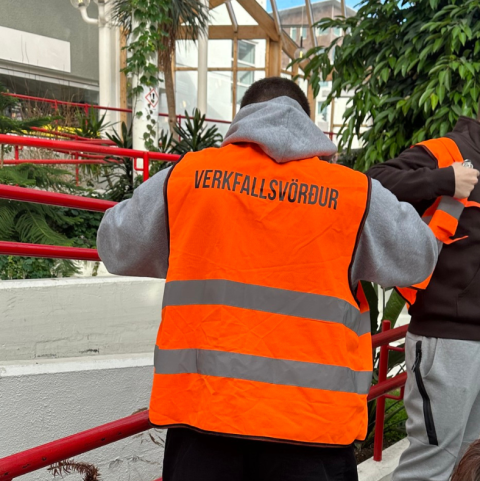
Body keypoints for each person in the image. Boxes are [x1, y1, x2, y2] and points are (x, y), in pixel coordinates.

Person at [97, 77, 438, 481]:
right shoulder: (352, 193)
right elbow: (419, 257)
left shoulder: (189, 177)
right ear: (308, 124)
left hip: (203, 420)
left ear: (241, 119)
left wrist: (188, 240)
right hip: (312, 429)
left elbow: (114, 245)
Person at [368, 118, 480, 481]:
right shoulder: (451, 151)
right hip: (448, 339)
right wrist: (445, 180)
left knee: (470, 464)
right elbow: (373, 182)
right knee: (431, 467)